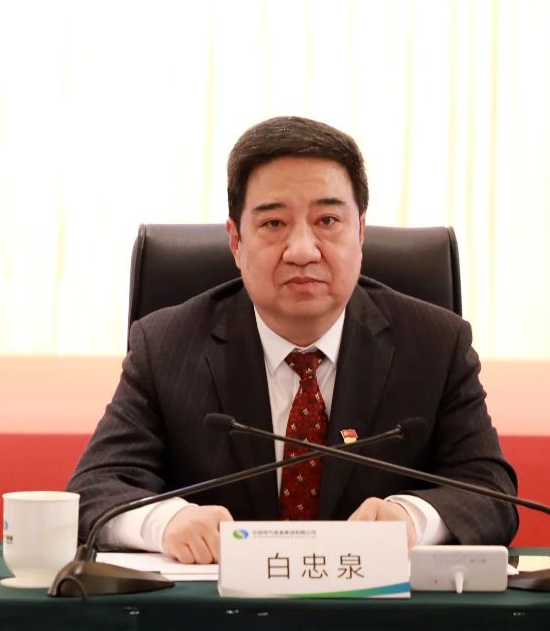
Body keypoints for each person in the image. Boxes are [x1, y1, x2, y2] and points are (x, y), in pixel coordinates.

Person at [67, 116, 517, 563]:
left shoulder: (435, 344)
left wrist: (412, 518)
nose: (302, 250)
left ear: (360, 231)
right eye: (273, 223)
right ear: (236, 241)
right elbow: (94, 488)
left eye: (327, 220)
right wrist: (166, 523)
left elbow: (490, 492)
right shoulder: (166, 345)